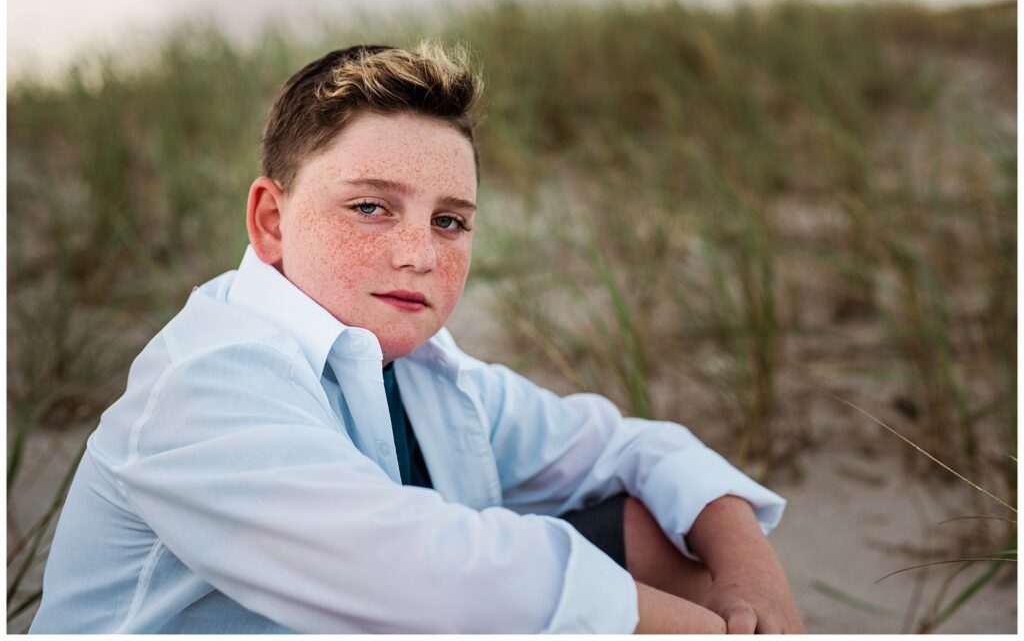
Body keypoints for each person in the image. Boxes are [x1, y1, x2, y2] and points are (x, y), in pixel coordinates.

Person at [30, 42, 804, 633]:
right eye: (371, 207)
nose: (420, 254)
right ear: (271, 221)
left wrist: (754, 585)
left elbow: (627, 447)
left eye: (449, 220)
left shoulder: (423, 366)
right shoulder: (209, 381)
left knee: (653, 527)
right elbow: (428, 574)